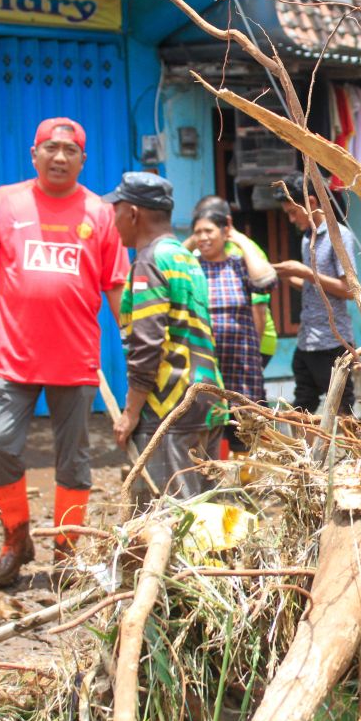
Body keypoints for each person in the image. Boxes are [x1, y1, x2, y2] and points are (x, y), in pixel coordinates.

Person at [0, 117, 130, 590]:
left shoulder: (99, 214)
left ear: (83, 160)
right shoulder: (4, 203)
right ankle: (16, 538)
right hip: (12, 357)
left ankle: (66, 552)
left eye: (70, 150)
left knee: (74, 462)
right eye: (51, 148)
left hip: (76, 360)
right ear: (34, 154)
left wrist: (136, 343)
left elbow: (116, 287)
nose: (60, 157)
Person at [106, 173, 226, 501]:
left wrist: (131, 410)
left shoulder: (149, 262)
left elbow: (147, 343)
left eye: (116, 211)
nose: (113, 221)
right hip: (208, 399)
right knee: (206, 507)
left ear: (133, 213)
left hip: (170, 407)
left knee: (172, 511)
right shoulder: (185, 258)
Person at [189, 197, 277, 453]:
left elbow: (266, 281)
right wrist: (191, 241)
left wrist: (238, 238)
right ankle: (215, 475)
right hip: (205, 369)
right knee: (206, 434)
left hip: (241, 367)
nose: (203, 237)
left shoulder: (239, 264)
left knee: (247, 432)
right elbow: (167, 267)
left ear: (224, 231)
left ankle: (250, 477)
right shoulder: (192, 267)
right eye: (197, 232)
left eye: (208, 231)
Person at [270, 173, 358, 416]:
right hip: (307, 339)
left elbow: (349, 290)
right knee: (302, 405)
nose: (291, 219)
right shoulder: (307, 238)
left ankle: (352, 442)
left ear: (311, 202)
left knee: (341, 406)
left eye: (292, 212)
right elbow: (314, 287)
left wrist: (306, 273)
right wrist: (285, 275)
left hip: (333, 341)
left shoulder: (339, 236)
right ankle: (307, 444)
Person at [187, 196, 279, 369]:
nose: (203, 236)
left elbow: (258, 308)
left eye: (209, 227)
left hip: (251, 345)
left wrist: (253, 356)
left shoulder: (243, 252)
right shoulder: (199, 254)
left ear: (226, 223)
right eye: (198, 227)